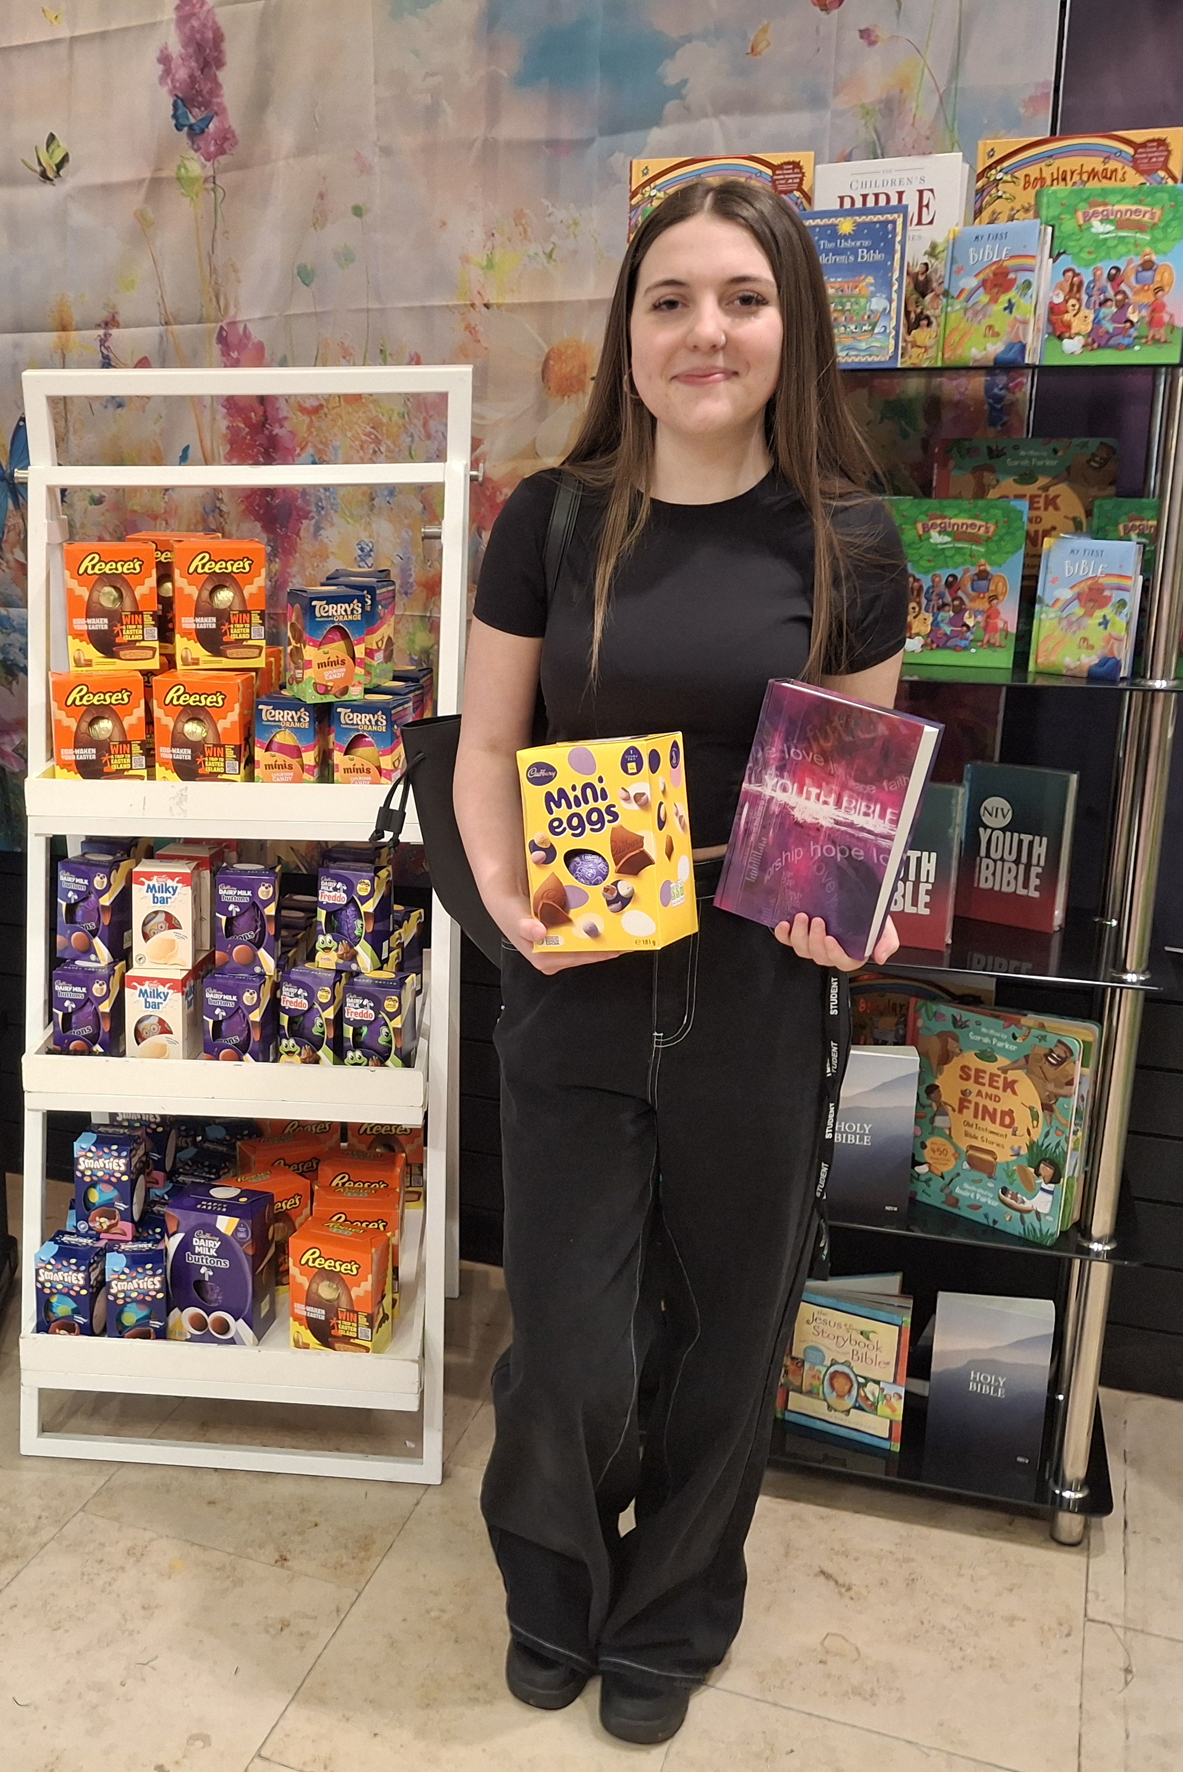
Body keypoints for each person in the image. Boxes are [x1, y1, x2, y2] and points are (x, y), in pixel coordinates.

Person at [454, 177, 907, 1747]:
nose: (704, 331)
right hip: (574, 973)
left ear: (793, 324)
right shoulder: (551, 518)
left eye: (741, 298)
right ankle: (551, 1584)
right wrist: (511, 900)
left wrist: (847, 896)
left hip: (757, 995)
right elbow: (485, 751)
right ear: (627, 330)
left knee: (730, 1325)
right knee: (570, 1333)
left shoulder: (851, 536)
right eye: (669, 300)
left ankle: (676, 1612)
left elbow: (854, 777)